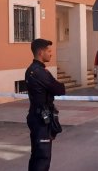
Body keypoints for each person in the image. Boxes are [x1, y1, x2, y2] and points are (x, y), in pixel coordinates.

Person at [25, 38, 66, 171]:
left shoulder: (33, 69)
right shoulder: (39, 72)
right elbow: (59, 89)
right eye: (49, 51)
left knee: (36, 156)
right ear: (41, 52)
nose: (51, 54)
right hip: (41, 119)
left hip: (37, 116)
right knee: (42, 157)